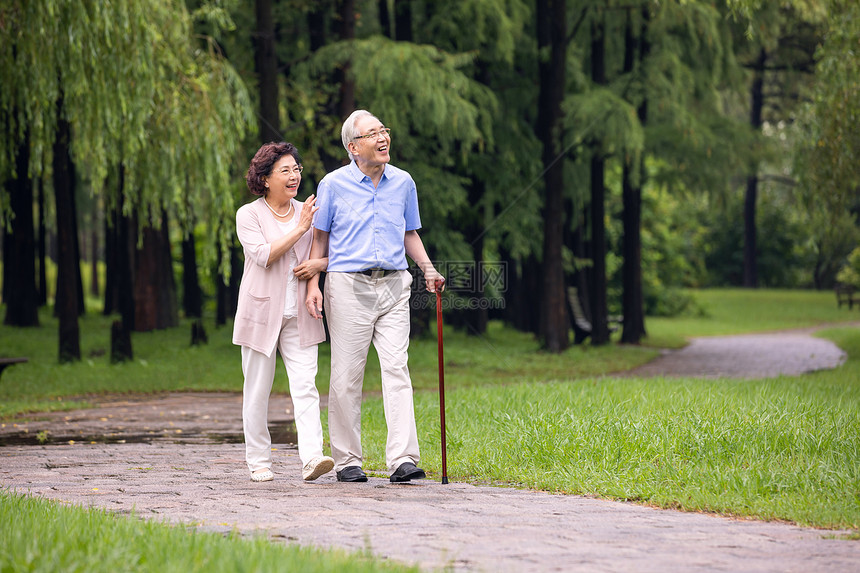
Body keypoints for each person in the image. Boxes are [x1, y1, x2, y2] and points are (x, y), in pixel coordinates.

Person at [306, 110, 444, 483]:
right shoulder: (333, 185)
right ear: (353, 146)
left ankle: (402, 459)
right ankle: (348, 460)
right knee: (348, 375)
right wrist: (312, 285)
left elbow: (408, 232)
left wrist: (427, 268)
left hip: (395, 284)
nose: (383, 138)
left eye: (384, 130)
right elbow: (320, 240)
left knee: (397, 368)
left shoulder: (403, 182)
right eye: (373, 134)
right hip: (348, 285)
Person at [233, 142, 335, 483]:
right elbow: (264, 255)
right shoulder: (249, 215)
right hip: (261, 312)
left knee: (306, 386)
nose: (295, 176)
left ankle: (312, 458)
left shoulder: (307, 211)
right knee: (257, 389)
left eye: (297, 169)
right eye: (286, 171)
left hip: (301, 314)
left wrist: (314, 284)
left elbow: (323, 257)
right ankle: (258, 460)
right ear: (264, 179)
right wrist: (300, 228)